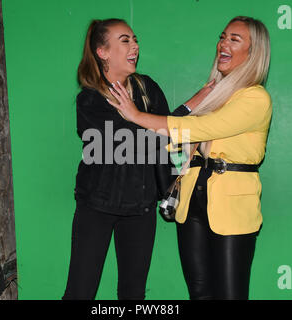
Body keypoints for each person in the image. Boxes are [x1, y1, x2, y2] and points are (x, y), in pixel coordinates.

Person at [107, 16, 272, 300]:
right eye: (223, 37)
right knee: (198, 293)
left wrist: (137, 116)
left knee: (230, 295)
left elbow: (200, 128)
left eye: (235, 39)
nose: (224, 43)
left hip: (231, 205)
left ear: (253, 52)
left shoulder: (255, 98)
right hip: (192, 200)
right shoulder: (216, 95)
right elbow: (180, 141)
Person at [62, 18, 212, 300]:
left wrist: (179, 124)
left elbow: (166, 136)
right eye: (125, 40)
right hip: (97, 205)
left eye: (135, 39)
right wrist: (190, 104)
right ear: (102, 51)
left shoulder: (147, 88)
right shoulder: (90, 100)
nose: (135, 46)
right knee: (80, 292)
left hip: (141, 207)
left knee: (133, 294)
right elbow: (132, 140)